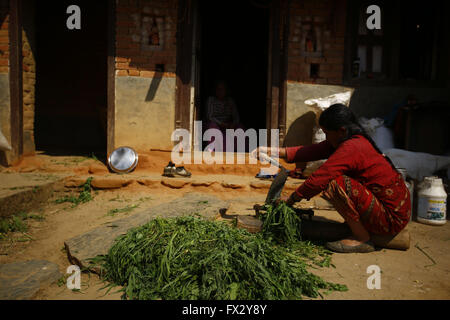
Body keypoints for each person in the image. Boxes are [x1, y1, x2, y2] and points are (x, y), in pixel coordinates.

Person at [252, 104, 411, 253]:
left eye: (327, 133)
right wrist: (269, 150)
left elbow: (320, 178)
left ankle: (362, 238)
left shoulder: (351, 147)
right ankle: (357, 226)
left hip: (391, 219)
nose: (326, 138)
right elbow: (311, 151)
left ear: (341, 131)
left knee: (333, 183)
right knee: (337, 181)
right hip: (397, 211)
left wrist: (291, 199)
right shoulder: (348, 139)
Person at [205, 81, 245, 152]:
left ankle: (236, 151)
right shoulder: (211, 100)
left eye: (222, 89)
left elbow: (236, 117)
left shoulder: (230, 101)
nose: (220, 91)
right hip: (216, 124)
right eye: (218, 89)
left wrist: (233, 124)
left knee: (240, 127)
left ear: (226, 91)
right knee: (212, 127)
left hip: (228, 125)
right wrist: (221, 124)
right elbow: (209, 116)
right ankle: (213, 150)